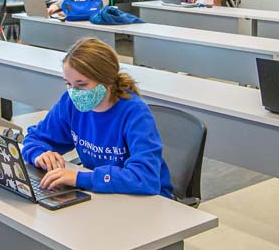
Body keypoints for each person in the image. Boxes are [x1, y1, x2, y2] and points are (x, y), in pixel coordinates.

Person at [21, 38, 174, 197]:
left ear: (106, 81)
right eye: (68, 84)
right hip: (104, 193)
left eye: (82, 85)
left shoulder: (135, 113)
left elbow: (144, 178)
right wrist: (39, 154)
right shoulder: (70, 103)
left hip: (146, 200)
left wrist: (81, 178)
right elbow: (35, 138)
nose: (74, 92)